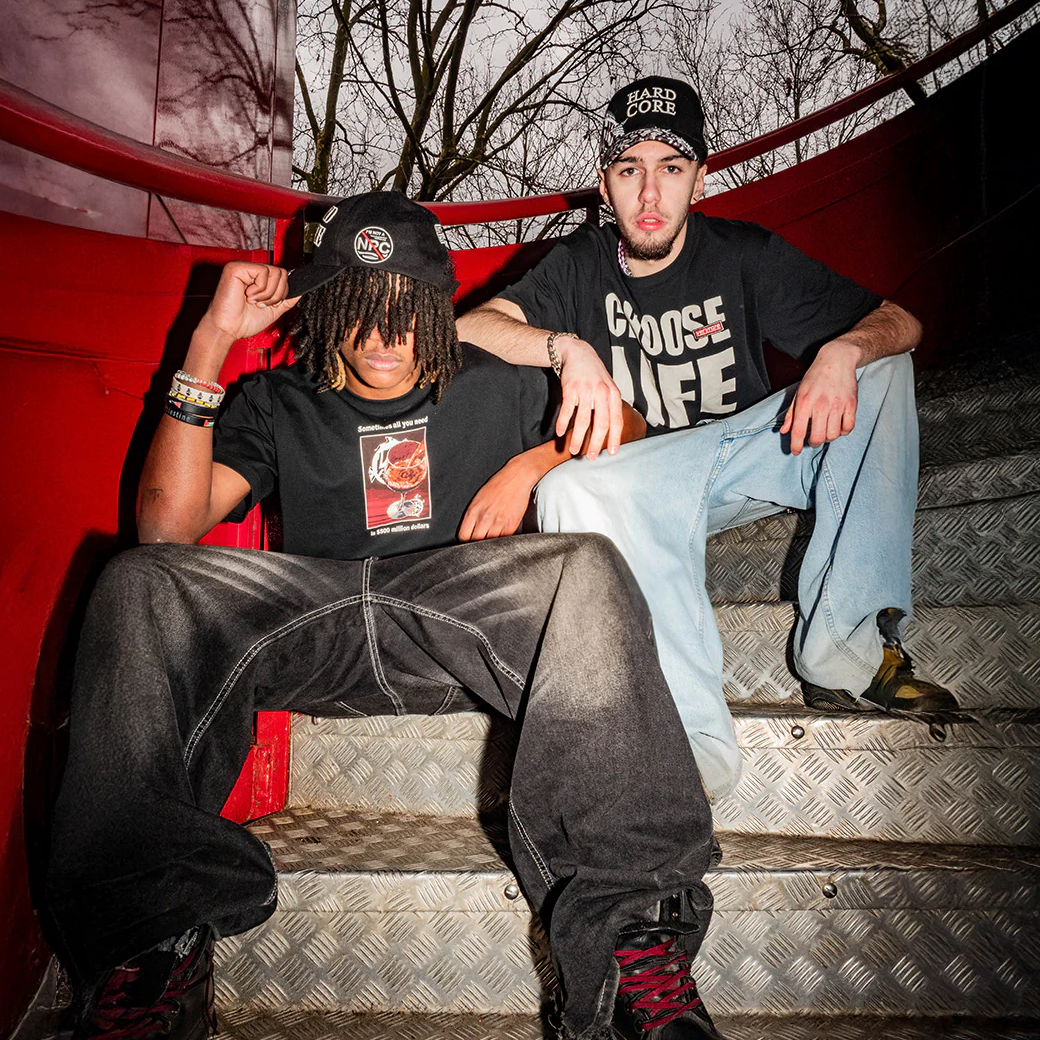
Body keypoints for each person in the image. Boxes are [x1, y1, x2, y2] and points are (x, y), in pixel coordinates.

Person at [44, 192, 726, 1040]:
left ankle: (626, 948)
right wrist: (210, 342)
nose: (382, 334)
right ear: (325, 306)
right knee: (140, 582)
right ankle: (151, 948)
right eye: (359, 306)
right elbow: (166, 529)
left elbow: (628, 425)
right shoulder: (277, 399)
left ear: (437, 307)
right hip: (316, 614)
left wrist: (534, 463)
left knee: (585, 566)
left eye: (405, 307)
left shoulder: (494, 382)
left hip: (455, 617)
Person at [456, 76, 957, 800]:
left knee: (883, 369)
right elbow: (472, 326)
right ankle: (687, 748)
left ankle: (843, 649)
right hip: (649, 477)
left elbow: (902, 322)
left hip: (759, 451)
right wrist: (567, 348)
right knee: (569, 487)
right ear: (605, 184)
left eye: (671, 168)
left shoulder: (742, 252)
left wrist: (843, 351)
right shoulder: (580, 264)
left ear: (700, 178)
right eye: (629, 170)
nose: (649, 194)